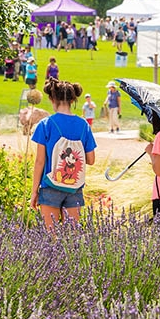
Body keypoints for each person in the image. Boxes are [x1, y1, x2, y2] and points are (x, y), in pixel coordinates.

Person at [30, 77, 97, 229]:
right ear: (73, 100)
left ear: (52, 98)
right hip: (74, 188)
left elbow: (40, 161)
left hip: (50, 187)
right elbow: (91, 160)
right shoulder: (83, 125)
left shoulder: (46, 124)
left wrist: (34, 192)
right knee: (71, 239)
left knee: (51, 238)